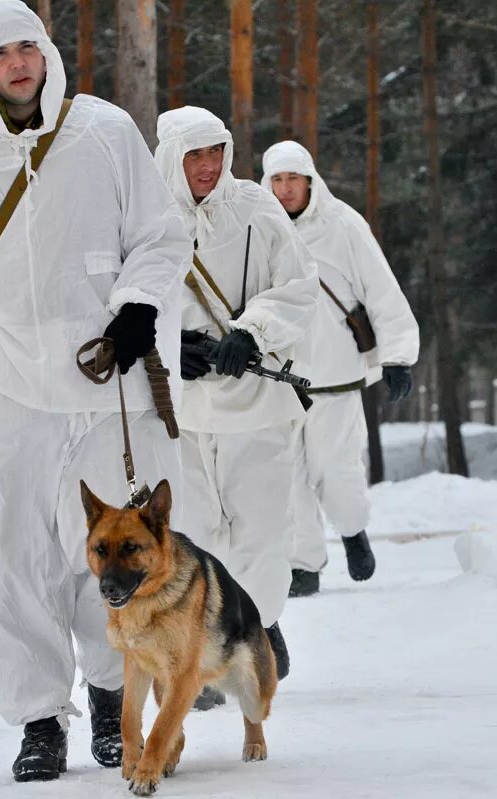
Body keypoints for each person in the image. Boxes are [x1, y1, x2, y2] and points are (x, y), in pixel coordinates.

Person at [0, 0, 190, 782]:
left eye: (28, 47)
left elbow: (159, 235)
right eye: (1, 54)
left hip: (100, 381)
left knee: (114, 558)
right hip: (1, 385)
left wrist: (140, 307)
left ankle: (119, 704)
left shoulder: (106, 133)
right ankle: (39, 719)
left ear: (46, 53)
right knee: (10, 558)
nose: (18, 64)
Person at [154, 107, 318, 707]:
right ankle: (206, 644)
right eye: (193, 154)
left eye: (215, 151)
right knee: (193, 533)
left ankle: (261, 624)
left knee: (261, 530)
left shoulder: (256, 207)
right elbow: (118, 296)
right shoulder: (142, 212)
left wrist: (251, 331)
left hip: (257, 404)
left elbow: (299, 284)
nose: (207, 165)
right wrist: (168, 344)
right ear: (170, 156)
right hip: (181, 408)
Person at [261, 141, 420, 598]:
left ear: (310, 180)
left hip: (336, 374)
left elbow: (381, 290)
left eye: (293, 179)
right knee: (287, 477)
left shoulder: (344, 225)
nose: (286, 189)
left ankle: (353, 531)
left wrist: (397, 356)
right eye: (277, 180)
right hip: (279, 377)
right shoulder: (257, 226)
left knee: (337, 469)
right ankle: (303, 564)